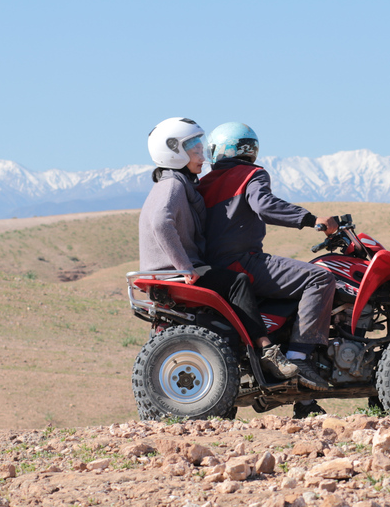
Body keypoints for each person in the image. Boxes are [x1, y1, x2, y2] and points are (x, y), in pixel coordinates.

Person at [139, 117, 297, 381]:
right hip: (172, 270)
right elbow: (160, 223)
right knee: (237, 282)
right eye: (195, 150)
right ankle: (266, 350)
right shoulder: (173, 185)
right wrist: (184, 267)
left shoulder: (178, 183)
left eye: (201, 147)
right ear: (174, 152)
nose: (203, 155)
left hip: (173, 268)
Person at [197, 121, 337, 418]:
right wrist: (313, 220)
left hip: (213, 268)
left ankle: (305, 401)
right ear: (250, 150)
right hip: (242, 263)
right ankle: (299, 358)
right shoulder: (252, 174)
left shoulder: (203, 184)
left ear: (219, 150)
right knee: (320, 277)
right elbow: (264, 205)